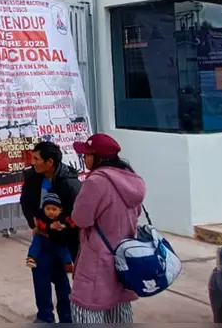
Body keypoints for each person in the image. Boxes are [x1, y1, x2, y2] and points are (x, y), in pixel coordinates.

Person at [69, 134, 146, 324]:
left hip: (97, 261)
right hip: (124, 259)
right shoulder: (131, 178)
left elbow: (80, 219)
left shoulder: (95, 182)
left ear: (98, 157)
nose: (84, 158)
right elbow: (136, 213)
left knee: (87, 312)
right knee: (119, 313)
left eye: (87, 154)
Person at [20, 141, 81, 324]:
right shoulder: (32, 177)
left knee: (61, 279)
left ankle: (66, 318)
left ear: (50, 162)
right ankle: (44, 316)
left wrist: (59, 232)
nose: (33, 162)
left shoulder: (70, 184)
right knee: (40, 277)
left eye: (37, 159)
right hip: (41, 237)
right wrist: (34, 224)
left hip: (61, 240)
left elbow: (77, 214)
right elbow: (26, 202)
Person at [25, 193, 75, 273]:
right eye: (47, 209)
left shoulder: (63, 217)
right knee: (38, 239)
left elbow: (72, 223)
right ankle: (31, 257)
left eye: (54, 209)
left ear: (60, 210)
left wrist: (65, 226)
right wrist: (49, 226)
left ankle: (68, 264)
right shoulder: (41, 216)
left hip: (57, 240)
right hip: (45, 239)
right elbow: (39, 225)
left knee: (63, 248)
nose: (50, 212)